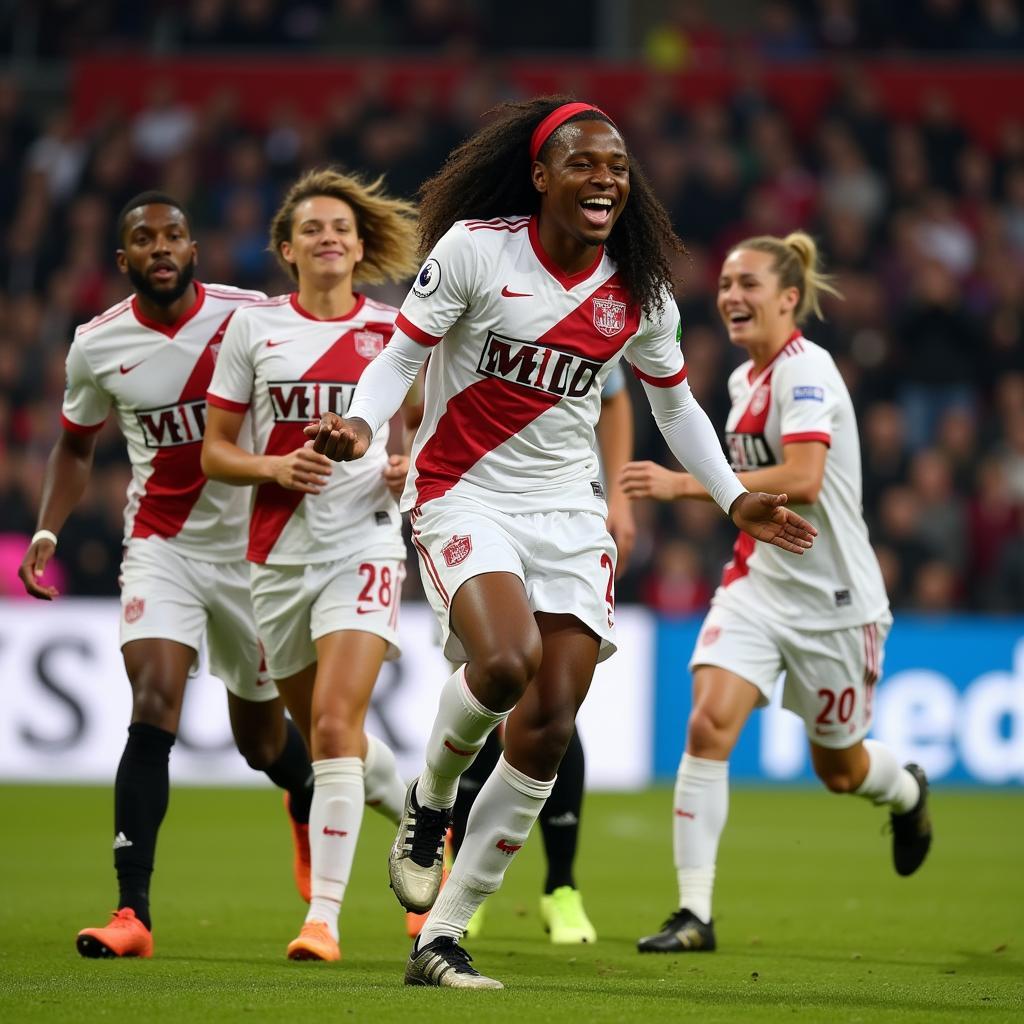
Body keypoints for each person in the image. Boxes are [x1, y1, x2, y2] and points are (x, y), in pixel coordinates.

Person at [304, 97, 816, 989]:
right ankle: (431, 802)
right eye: (584, 163)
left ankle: (445, 936)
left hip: (568, 510)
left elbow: (673, 406)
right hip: (463, 490)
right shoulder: (473, 250)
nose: (606, 179)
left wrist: (732, 499)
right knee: (504, 665)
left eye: (618, 167)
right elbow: (399, 355)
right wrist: (357, 421)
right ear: (540, 176)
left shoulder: (637, 286)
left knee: (546, 726)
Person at [17, 192, 315, 959]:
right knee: (153, 702)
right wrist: (48, 526)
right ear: (123, 260)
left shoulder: (252, 314)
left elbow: (326, 348)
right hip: (163, 545)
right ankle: (132, 913)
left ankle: (306, 796)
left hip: (254, 551)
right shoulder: (97, 343)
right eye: (143, 238)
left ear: (193, 249)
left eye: (173, 235)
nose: (160, 246)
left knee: (260, 742)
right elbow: (76, 447)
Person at [621, 231, 933, 955]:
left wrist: (679, 484)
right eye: (727, 283)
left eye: (749, 284)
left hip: (834, 602)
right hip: (758, 584)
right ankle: (693, 913)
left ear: (789, 298)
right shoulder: (740, 381)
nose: (731, 295)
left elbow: (804, 478)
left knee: (841, 770)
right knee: (707, 725)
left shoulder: (808, 371)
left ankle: (908, 791)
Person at [201, 167, 417, 963]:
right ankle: (430, 818)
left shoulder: (395, 332)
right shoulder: (254, 331)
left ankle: (321, 918)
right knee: (334, 737)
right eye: (314, 229)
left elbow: (427, 433)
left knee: (332, 726)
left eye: (343, 229)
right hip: (276, 554)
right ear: (287, 249)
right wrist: (274, 468)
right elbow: (216, 453)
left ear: (361, 248)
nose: (330, 237)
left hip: (363, 541)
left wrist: (406, 468)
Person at [443, 365, 636, 946]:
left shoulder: (599, 298)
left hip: (566, 517)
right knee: (494, 688)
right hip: (477, 510)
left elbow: (621, 397)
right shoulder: (469, 285)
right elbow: (413, 389)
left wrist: (620, 495)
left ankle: (560, 886)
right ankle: (460, 880)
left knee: (551, 709)